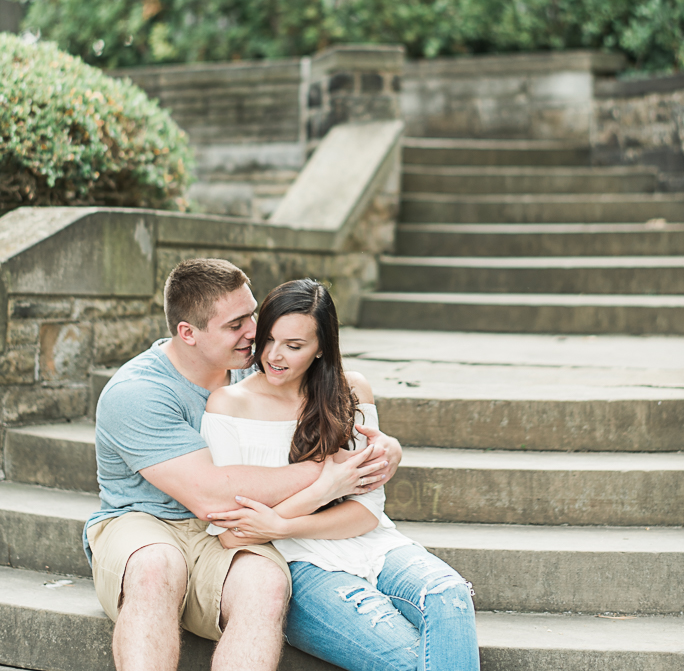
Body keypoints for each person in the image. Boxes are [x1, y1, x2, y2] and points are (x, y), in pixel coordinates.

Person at [85, 258, 402, 671]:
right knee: (155, 566)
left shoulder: (255, 366)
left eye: (251, 313)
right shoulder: (138, 393)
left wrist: (384, 447)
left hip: (232, 532)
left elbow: (331, 401)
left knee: (266, 584)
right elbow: (211, 495)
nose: (254, 331)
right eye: (236, 324)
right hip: (146, 522)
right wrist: (332, 471)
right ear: (188, 333)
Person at [202, 278, 480, 671]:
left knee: (449, 592)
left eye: (294, 346)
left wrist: (278, 522)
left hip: (372, 542)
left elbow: (367, 510)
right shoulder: (228, 404)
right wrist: (323, 490)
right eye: (268, 339)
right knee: (409, 662)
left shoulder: (351, 391)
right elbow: (234, 532)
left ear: (320, 349)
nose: (274, 356)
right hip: (294, 565)